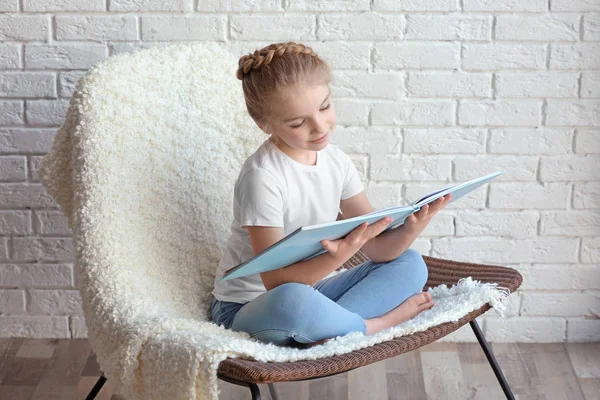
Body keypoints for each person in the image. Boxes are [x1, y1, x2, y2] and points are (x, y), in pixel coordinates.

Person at [210, 41, 451, 347]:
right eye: (298, 122)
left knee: (410, 263)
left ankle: (325, 329)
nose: (319, 126)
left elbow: (377, 248)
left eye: (324, 107)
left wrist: (411, 228)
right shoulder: (263, 177)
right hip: (249, 307)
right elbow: (273, 284)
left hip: (311, 294)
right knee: (293, 302)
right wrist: (341, 254)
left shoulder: (335, 161)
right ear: (264, 124)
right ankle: (375, 325)